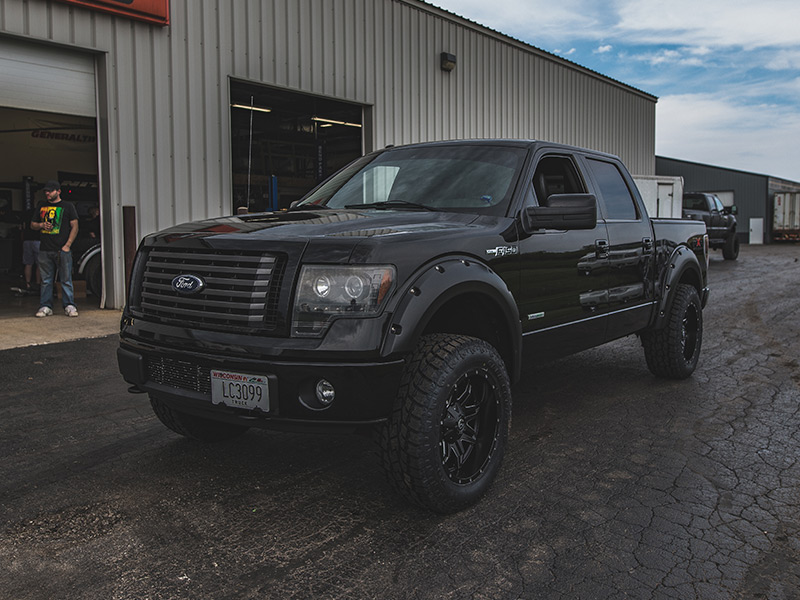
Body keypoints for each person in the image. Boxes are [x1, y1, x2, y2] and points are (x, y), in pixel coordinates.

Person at [30, 180, 79, 317]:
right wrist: (41, 225)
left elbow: (75, 226)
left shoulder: (68, 206)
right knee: (46, 280)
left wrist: (67, 245)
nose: (47, 193)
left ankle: (69, 305)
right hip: (45, 248)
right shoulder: (41, 205)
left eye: (50, 191)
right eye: (46, 191)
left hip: (62, 249)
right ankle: (45, 306)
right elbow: (32, 224)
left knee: (66, 279)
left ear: (58, 191)